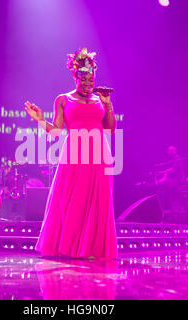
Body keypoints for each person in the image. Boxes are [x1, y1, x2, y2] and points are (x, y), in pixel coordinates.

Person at [24, 48, 117, 259]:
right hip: (74, 152)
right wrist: (39, 119)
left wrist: (108, 106)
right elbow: (56, 130)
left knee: (98, 201)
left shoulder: (100, 99)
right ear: (75, 77)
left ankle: (92, 249)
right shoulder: (63, 99)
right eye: (83, 79)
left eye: (91, 80)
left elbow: (110, 128)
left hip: (99, 153)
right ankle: (69, 246)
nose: (87, 84)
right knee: (74, 199)